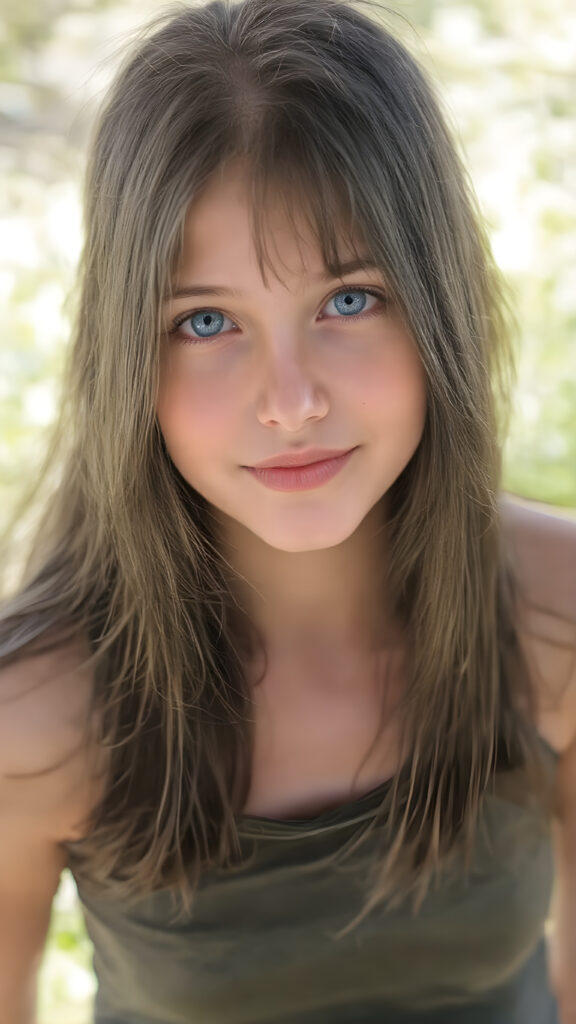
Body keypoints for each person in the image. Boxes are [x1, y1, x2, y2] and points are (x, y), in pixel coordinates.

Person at [0, 0, 575, 1021]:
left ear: (435, 301)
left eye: (349, 299)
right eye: (208, 320)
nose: (292, 399)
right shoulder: (39, 716)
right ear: (126, 349)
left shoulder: (555, 617)